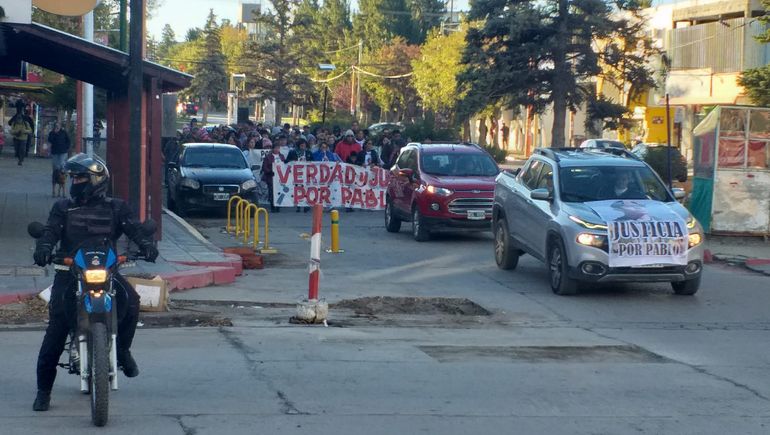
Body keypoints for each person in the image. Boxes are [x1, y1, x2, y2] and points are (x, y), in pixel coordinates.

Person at [31, 153, 159, 412]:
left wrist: (146, 244)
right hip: (69, 272)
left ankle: (122, 350)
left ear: (97, 179)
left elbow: (133, 228)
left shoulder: (116, 208)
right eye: (73, 177)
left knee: (131, 302)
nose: (75, 182)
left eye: (80, 177)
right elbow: (50, 231)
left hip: (106, 270)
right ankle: (43, 390)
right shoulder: (63, 208)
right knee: (57, 325)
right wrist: (43, 247)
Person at [262, 142, 285, 212]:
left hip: (280, 178)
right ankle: (272, 206)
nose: (277, 149)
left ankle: (278, 206)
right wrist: (270, 171)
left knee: (279, 192)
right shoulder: (268, 157)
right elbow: (264, 167)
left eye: (278, 148)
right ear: (273, 148)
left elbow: (284, 165)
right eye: (276, 148)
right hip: (271, 177)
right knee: (272, 192)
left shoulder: (282, 156)